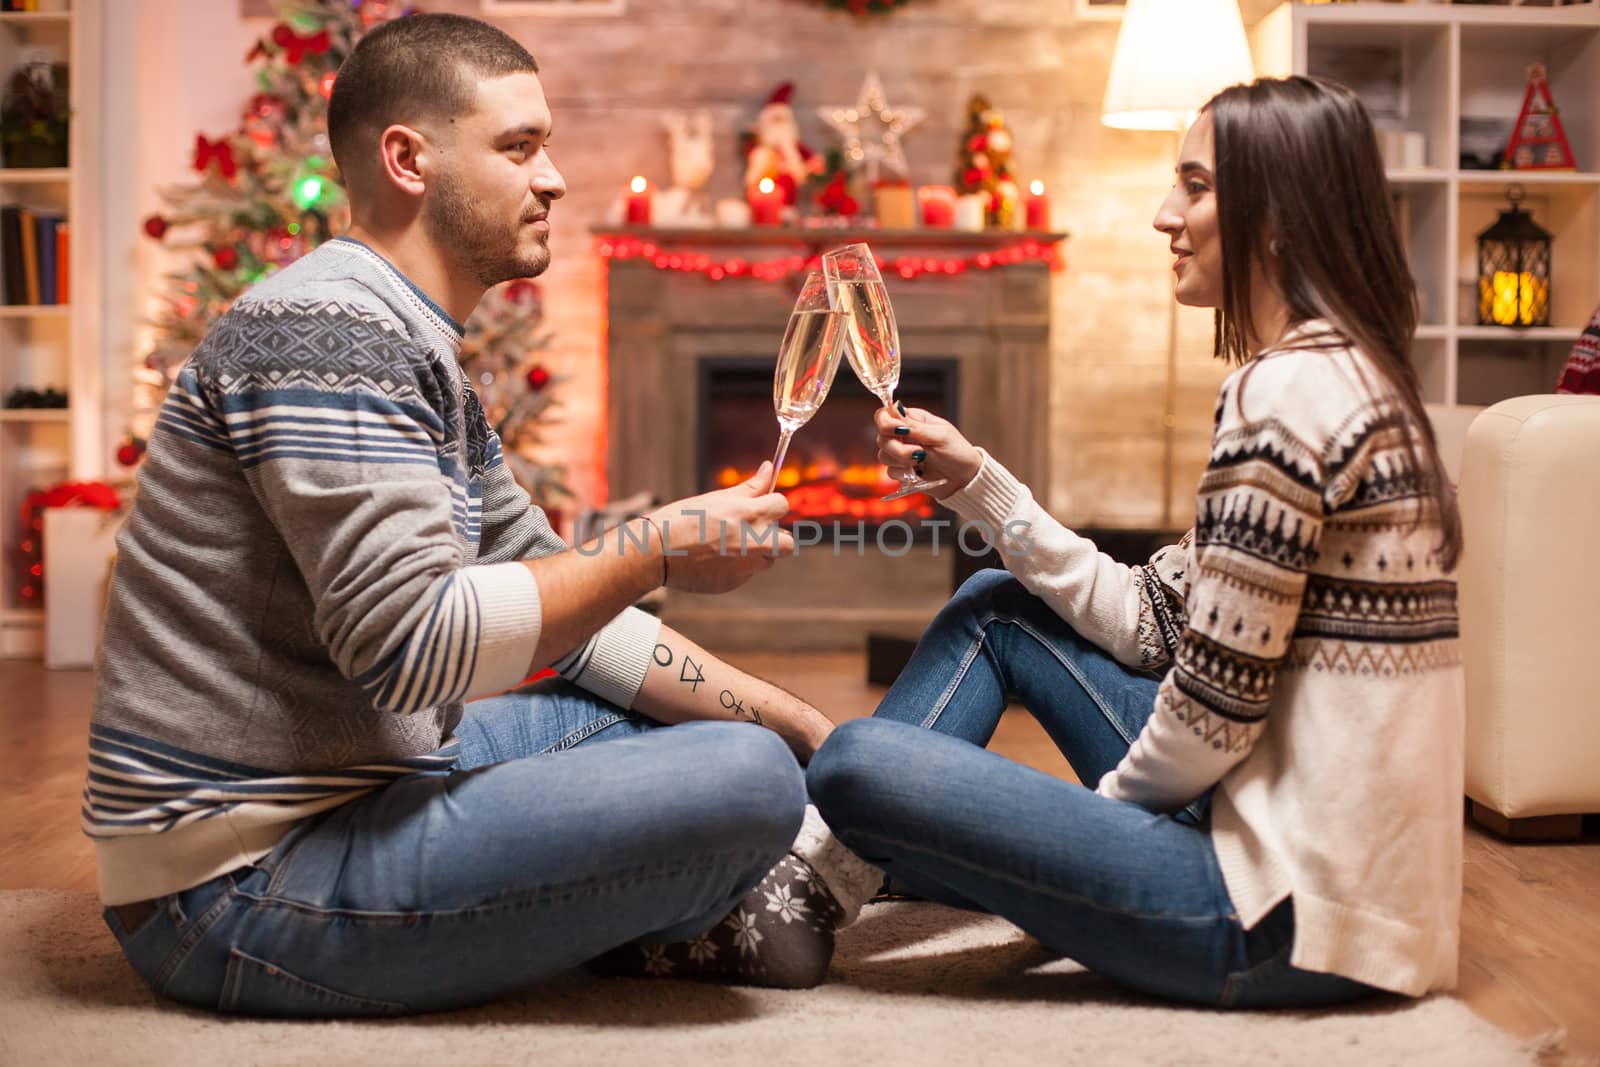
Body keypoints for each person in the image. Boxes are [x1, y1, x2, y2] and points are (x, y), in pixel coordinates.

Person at [86, 13, 865, 1017]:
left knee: (680, 724)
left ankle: (698, 889)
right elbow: (410, 651)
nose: (555, 179)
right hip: (236, 880)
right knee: (743, 780)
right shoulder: (332, 332)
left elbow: (569, 624)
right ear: (408, 159)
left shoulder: (407, 342)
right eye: (519, 147)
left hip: (358, 785)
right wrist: (654, 546)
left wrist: (800, 721)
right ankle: (735, 886)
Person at [807, 75, 1466, 1007]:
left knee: (851, 765)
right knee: (998, 606)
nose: (1167, 213)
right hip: (1336, 886)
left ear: (1275, 217)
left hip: (1278, 919)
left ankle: (801, 892)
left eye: (1195, 187)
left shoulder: (1282, 399)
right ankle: (840, 876)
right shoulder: (1350, 376)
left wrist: (1085, 838)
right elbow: (1153, 620)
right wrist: (982, 484)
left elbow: (1211, 711)